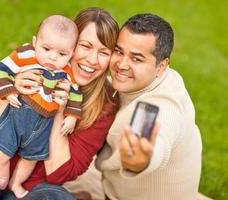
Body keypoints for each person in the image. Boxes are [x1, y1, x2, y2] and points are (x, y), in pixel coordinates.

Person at [0, 7, 119, 200]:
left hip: (33, 185)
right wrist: (14, 89)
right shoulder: (30, 63)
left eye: (104, 52)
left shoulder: (105, 106)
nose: (92, 60)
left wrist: (60, 110)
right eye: (85, 46)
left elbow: (59, 173)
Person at [65, 13, 202, 200]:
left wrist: (142, 160)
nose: (121, 64)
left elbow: (160, 134)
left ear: (161, 66)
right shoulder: (140, 81)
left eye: (136, 59)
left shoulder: (163, 105)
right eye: (119, 51)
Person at [0, 15, 81, 198]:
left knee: (31, 159)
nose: (53, 57)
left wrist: (72, 117)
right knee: (1, 153)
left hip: (43, 124)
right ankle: (2, 179)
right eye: (46, 49)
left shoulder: (67, 71)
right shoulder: (26, 55)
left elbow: (76, 93)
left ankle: (16, 183)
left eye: (62, 54)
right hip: (17, 116)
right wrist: (10, 90)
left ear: (72, 54)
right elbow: (2, 68)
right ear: (35, 42)